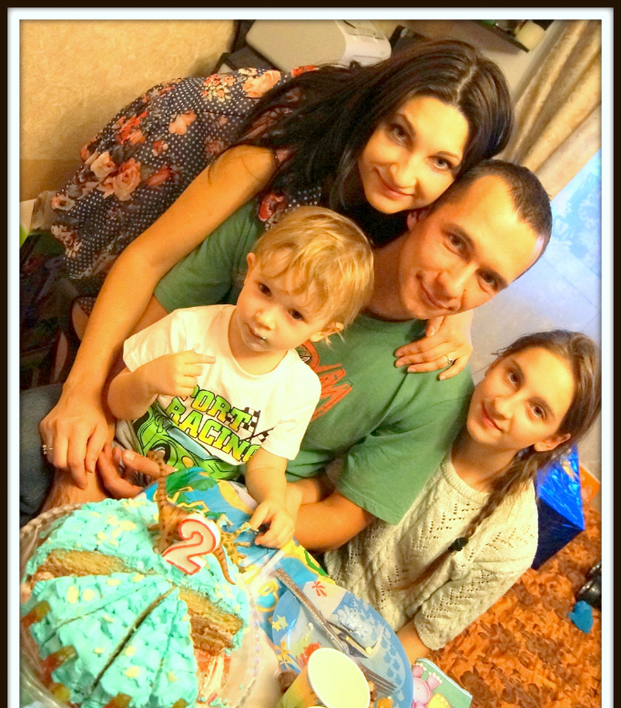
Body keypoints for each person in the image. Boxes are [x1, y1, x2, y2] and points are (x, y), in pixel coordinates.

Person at [28, 38, 514, 514]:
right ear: (376, 112)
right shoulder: (280, 150)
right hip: (173, 155)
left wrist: (460, 314)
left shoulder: (392, 202)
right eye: (399, 133)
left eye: (440, 162)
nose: (404, 174)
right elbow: (147, 259)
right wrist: (85, 399)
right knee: (82, 314)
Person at [89, 160, 554, 556]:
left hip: (226, 522)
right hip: (115, 436)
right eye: (455, 242)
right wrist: (89, 447)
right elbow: (132, 347)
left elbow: (341, 517)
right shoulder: (289, 238)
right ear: (422, 211)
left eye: (488, 280)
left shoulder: (438, 389)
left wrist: (223, 516)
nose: (452, 286)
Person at [319, 330, 601, 663]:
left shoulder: (513, 542)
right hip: (305, 560)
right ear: (497, 360)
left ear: (552, 439)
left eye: (537, 410)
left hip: (360, 646)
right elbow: (327, 480)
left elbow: (421, 635)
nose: (502, 406)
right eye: (513, 377)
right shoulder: (427, 405)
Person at [107, 207, 374, 548]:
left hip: (192, 505)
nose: (265, 318)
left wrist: (275, 500)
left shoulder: (299, 389)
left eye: (295, 314)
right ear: (250, 269)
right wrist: (145, 381)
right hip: (119, 462)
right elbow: (116, 403)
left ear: (324, 330)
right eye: (265, 290)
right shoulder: (187, 328)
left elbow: (265, 466)